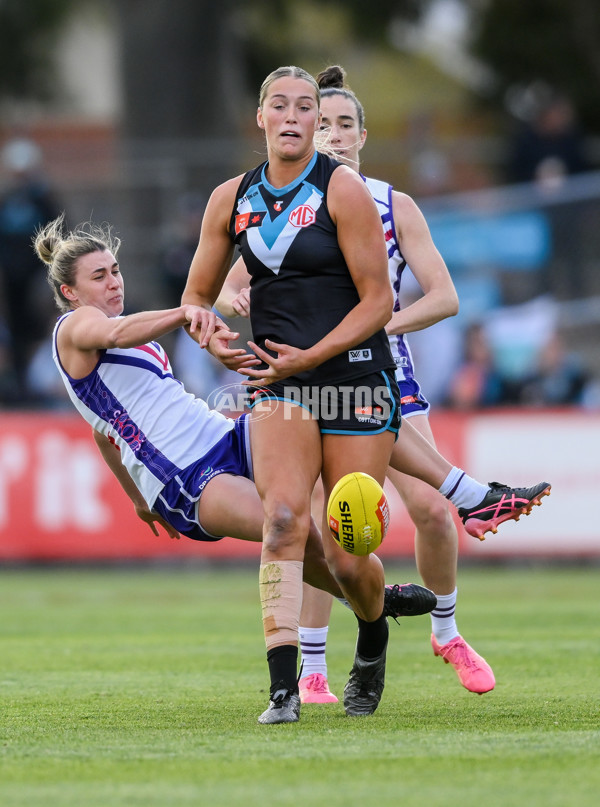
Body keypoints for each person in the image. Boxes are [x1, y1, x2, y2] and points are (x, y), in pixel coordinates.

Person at [211, 65, 551, 706]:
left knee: (423, 513)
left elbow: (443, 297)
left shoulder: (389, 203)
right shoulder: (282, 200)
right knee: (308, 518)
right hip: (306, 374)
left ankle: (446, 629)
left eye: (343, 124)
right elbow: (232, 275)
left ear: (362, 134)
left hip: (375, 364)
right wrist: (232, 306)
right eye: (324, 121)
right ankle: (311, 668)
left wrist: (370, 326)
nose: (332, 134)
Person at [34, 214, 435, 653]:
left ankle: (458, 490)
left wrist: (135, 500)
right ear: (69, 293)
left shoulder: (132, 336)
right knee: (289, 533)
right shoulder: (75, 328)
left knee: (329, 412)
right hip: (185, 477)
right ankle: (376, 603)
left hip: (223, 436)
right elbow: (114, 332)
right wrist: (186, 310)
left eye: (115, 271)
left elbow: (102, 433)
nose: (114, 282)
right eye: (99, 276)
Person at [0, 137, 61, 401]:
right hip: (11, 280)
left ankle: (39, 385)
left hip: (39, 277)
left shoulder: (44, 201)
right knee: (15, 331)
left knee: (40, 328)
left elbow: (59, 236)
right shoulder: (6, 200)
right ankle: (20, 383)